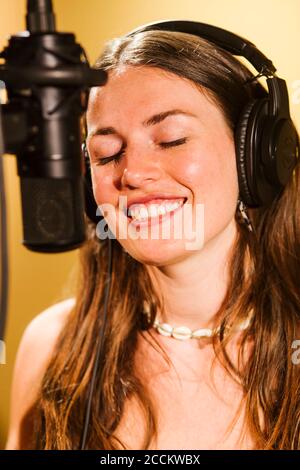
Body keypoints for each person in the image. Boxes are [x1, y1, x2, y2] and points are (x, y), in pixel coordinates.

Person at [5, 26, 300, 450]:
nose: (133, 173)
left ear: (254, 155)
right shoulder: (52, 344)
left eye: (171, 139)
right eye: (106, 154)